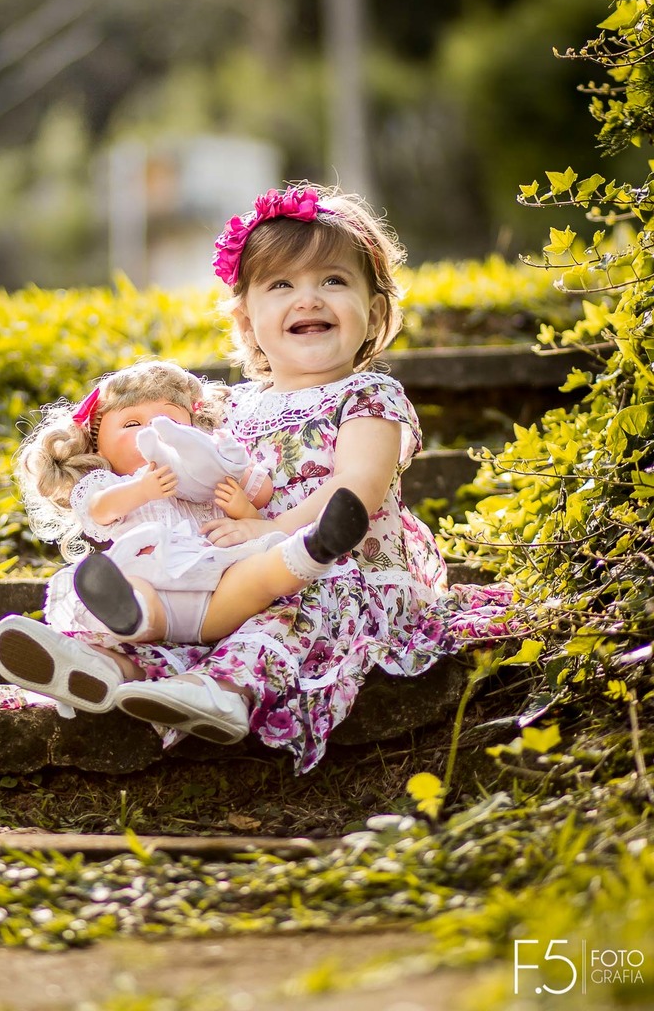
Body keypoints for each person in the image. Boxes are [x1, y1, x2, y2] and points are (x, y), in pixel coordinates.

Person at [103, 183, 513, 771]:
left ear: (373, 312)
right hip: (246, 571)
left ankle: (225, 692)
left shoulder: (368, 395)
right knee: (177, 606)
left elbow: (359, 488)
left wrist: (269, 530)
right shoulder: (235, 408)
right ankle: (104, 665)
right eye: (282, 284)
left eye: (333, 280)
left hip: (344, 574)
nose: (309, 298)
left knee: (288, 614)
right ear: (247, 318)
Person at [0, 359, 369, 738]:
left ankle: (315, 547)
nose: (153, 431)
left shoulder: (205, 478)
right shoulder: (107, 481)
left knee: (260, 574)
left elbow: (258, 497)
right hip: (160, 593)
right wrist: (141, 489)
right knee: (137, 591)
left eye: (168, 420)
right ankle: (131, 618)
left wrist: (241, 508)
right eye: (132, 424)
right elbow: (101, 509)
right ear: (97, 440)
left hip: (217, 595)